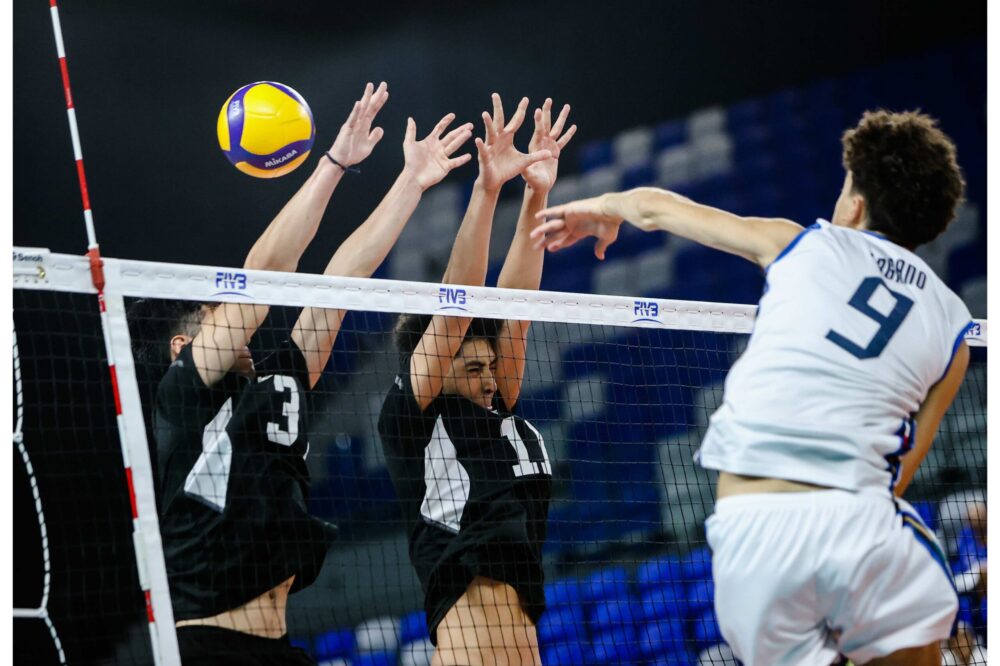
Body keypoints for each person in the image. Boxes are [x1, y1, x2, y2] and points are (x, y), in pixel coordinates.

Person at [531, 109, 971, 666]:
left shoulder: (798, 243)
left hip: (751, 537)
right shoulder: (955, 325)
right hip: (859, 523)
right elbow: (900, 471)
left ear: (855, 205)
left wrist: (599, 209)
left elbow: (655, 208)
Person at [128, 81, 475, 665]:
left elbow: (339, 285)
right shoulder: (181, 395)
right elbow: (262, 274)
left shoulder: (276, 386)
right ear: (184, 345)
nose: (236, 319)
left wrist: (409, 183)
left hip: (280, 646)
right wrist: (334, 164)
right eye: (220, 312)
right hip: (210, 646)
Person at [378, 94, 575, 666]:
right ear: (435, 368)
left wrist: (537, 191)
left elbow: (517, 303)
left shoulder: (503, 411)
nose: (490, 380)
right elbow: (457, 305)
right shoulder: (416, 418)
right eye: (472, 369)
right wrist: (488, 191)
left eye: (491, 367)